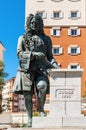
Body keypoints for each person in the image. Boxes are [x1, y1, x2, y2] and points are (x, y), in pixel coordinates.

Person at [12, 14, 59, 127]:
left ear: (40, 24)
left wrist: (54, 63)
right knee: (28, 95)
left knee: (42, 87)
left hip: (41, 69)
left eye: (36, 23)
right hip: (26, 70)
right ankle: (30, 118)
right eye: (32, 23)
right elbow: (19, 53)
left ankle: (41, 110)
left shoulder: (47, 39)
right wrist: (34, 55)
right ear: (28, 24)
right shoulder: (22, 38)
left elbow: (50, 56)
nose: (34, 24)